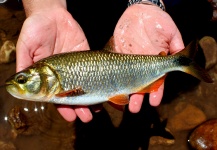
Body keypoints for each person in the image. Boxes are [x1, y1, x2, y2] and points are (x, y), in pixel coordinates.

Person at [15, 0, 184, 123]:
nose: (21, 83)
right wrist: (44, 7)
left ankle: (179, 63)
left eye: (22, 80)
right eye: (22, 80)